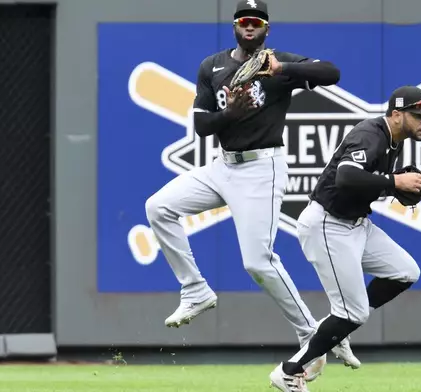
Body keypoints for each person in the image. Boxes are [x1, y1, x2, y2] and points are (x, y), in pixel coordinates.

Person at [144, 0, 360, 379]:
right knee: (159, 207)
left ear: (266, 30)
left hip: (263, 167)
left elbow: (332, 72)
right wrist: (230, 115)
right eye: (244, 20)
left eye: (257, 22)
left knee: (257, 261)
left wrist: (286, 69)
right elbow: (202, 126)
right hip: (223, 165)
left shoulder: (278, 64)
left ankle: (314, 333)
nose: (250, 26)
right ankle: (195, 290)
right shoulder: (212, 66)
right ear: (234, 27)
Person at [268, 86, 421, 391]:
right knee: (353, 312)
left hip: (356, 225)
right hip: (328, 225)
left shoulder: (393, 140)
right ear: (397, 114)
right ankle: (289, 371)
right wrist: (394, 181)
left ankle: (338, 330)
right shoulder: (371, 134)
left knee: (405, 272)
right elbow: (346, 177)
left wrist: (391, 186)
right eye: (418, 115)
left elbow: (365, 183)